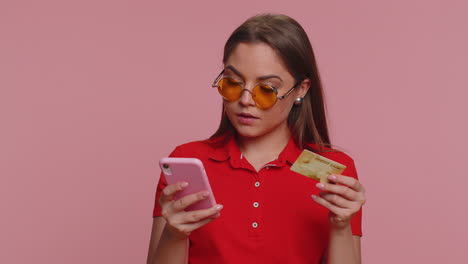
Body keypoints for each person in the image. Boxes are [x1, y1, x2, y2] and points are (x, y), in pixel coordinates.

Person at [147, 13, 366, 264]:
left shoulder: (330, 172)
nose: (245, 100)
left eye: (266, 90)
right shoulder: (188, 160)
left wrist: (341, 227)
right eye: (232, 83)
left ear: (301, 90)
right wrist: (174, 235)